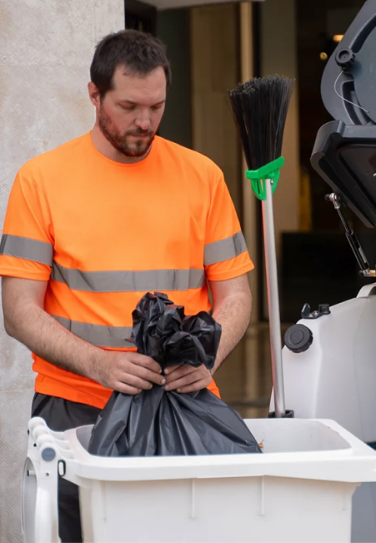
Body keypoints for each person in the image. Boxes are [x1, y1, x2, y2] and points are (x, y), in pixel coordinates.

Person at [0, 30, 254, 542]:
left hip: (183, 402)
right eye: (129, 106)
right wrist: (99, 363)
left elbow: (237, 296)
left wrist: (206, 359)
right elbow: (18, 311)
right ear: (95, 96)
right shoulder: (41, 181)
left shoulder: (202, 176)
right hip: (74, 406)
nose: (145, 122)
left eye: (156, 107)